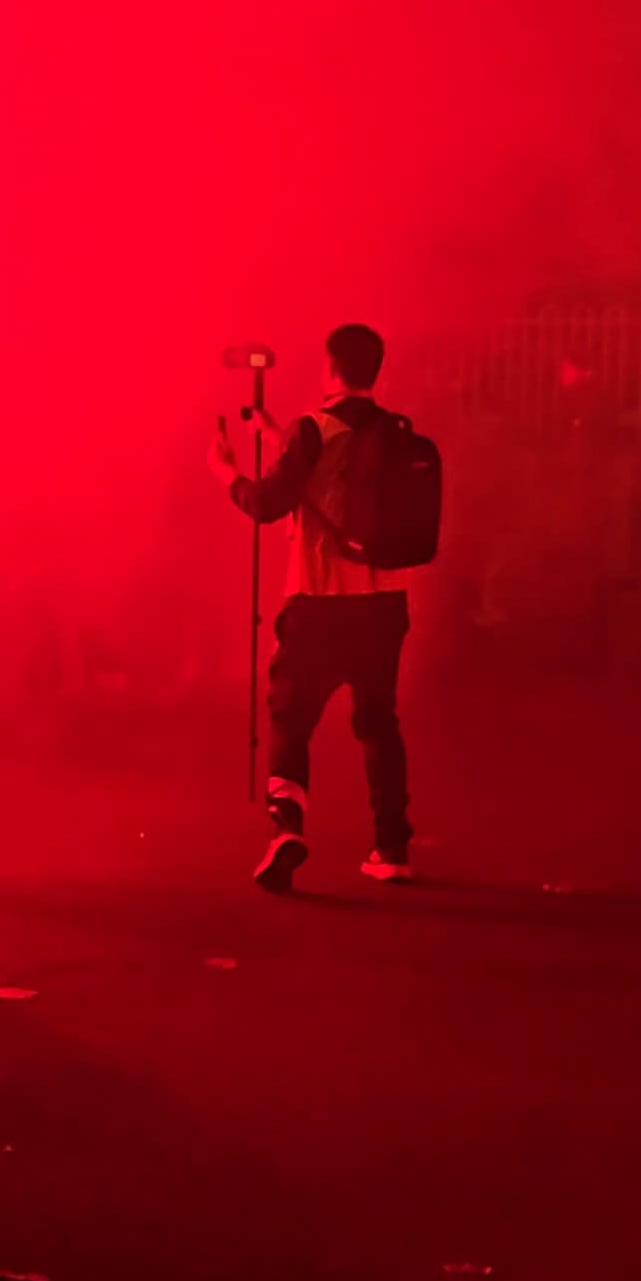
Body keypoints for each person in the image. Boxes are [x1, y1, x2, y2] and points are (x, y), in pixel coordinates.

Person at [211, 321, 419, 894]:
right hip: (384, 605)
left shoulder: (314, 431)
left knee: (290, 719)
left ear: (330, 368)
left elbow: (268, 502)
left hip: (320, 603)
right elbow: (336, 478)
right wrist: (280, 433)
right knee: (379, 723)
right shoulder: (396, 435)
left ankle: (287, 829)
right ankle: (392, 847)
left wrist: (226, 472)